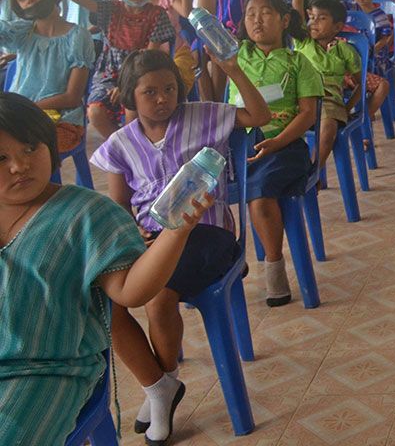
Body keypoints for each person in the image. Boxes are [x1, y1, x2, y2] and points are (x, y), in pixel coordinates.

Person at [0, 95, 213, 446]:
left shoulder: (86, 213)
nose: (19, 166)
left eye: (29, 148)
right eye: (1, 158)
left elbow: (130, 291)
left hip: (46, 372)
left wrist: (177, 232)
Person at [95, 50, 269, 445]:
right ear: (129, 96)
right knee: (106, 296)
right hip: (152, 240)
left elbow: (259, 117)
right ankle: (158, 384)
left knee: (158, 296)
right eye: (150, 92)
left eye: (169, 89)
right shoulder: (121, 144)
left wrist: (233, 70)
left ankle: (163, 386)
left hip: (205, 234)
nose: (162, 99)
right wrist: (129, 232)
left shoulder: (204, 114)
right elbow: (120, 205)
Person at [205, 0, 322, 307]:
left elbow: (308, 114)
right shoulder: (237, 54)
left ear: (284, 20)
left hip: (285, 146)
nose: (257, 20)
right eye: (250, 14)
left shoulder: (299, 62)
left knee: (258, 194)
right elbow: (203, 22)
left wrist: (277, 142)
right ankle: (225, 256)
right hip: (239, 145)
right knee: (202, 192)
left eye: (266, 12)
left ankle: (274, 267)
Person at [54, 0, 175, 141]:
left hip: (140, 74)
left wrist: (125, 84)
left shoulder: (157, 14)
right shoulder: (110, 9)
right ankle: (123, 149)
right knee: (94, 113)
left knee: (131, 110)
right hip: (108, 74)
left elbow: (148, 57)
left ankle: (136, 149)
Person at [0, 0, 96, 157]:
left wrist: (29, 108)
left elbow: (72, 97)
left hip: (62, 121)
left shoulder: (77, 36)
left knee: (21, 149)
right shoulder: (22, 32)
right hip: (18, 115)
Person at [290, 0, 362, 179]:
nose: (314, 22)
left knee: (328, 128)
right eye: (312, 17)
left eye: (322, 18)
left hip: (329, 101)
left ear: (338, 26)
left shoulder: (345, 50)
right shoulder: (304, 41)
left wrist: (347, 109)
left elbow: (360, 85)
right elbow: (295, 13)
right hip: (299, 99)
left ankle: (312, 173)